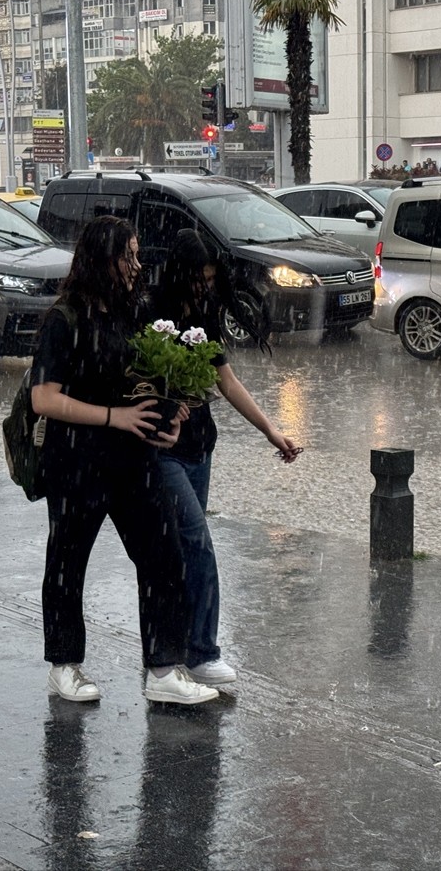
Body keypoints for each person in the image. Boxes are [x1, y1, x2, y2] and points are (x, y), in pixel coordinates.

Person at [30, 215, 219, 706]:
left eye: (137, 254)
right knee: (68, 563)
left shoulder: (130, 313)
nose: (136, 265)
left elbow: (147, 380)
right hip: (76, 464)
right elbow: (44, 399)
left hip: (133, 460)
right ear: (102, 259)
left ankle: (163, 668)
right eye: (128, 256)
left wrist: (171, 413)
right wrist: (114, 416)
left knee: (163, 556)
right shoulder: (64, 319)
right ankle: (65, 665)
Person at [152, 229, 301, 685]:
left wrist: (272, 431)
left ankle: (179, 653)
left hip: (199, 447)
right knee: (196, 546)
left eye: (210, 279)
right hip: (163, 450)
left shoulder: (202, 317)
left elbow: (227, 382)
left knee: (182, 552)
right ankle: (199, 653)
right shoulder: (152, 314)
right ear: (181, 273)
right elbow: (135, 376)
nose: (204, 286)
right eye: (199, 278)